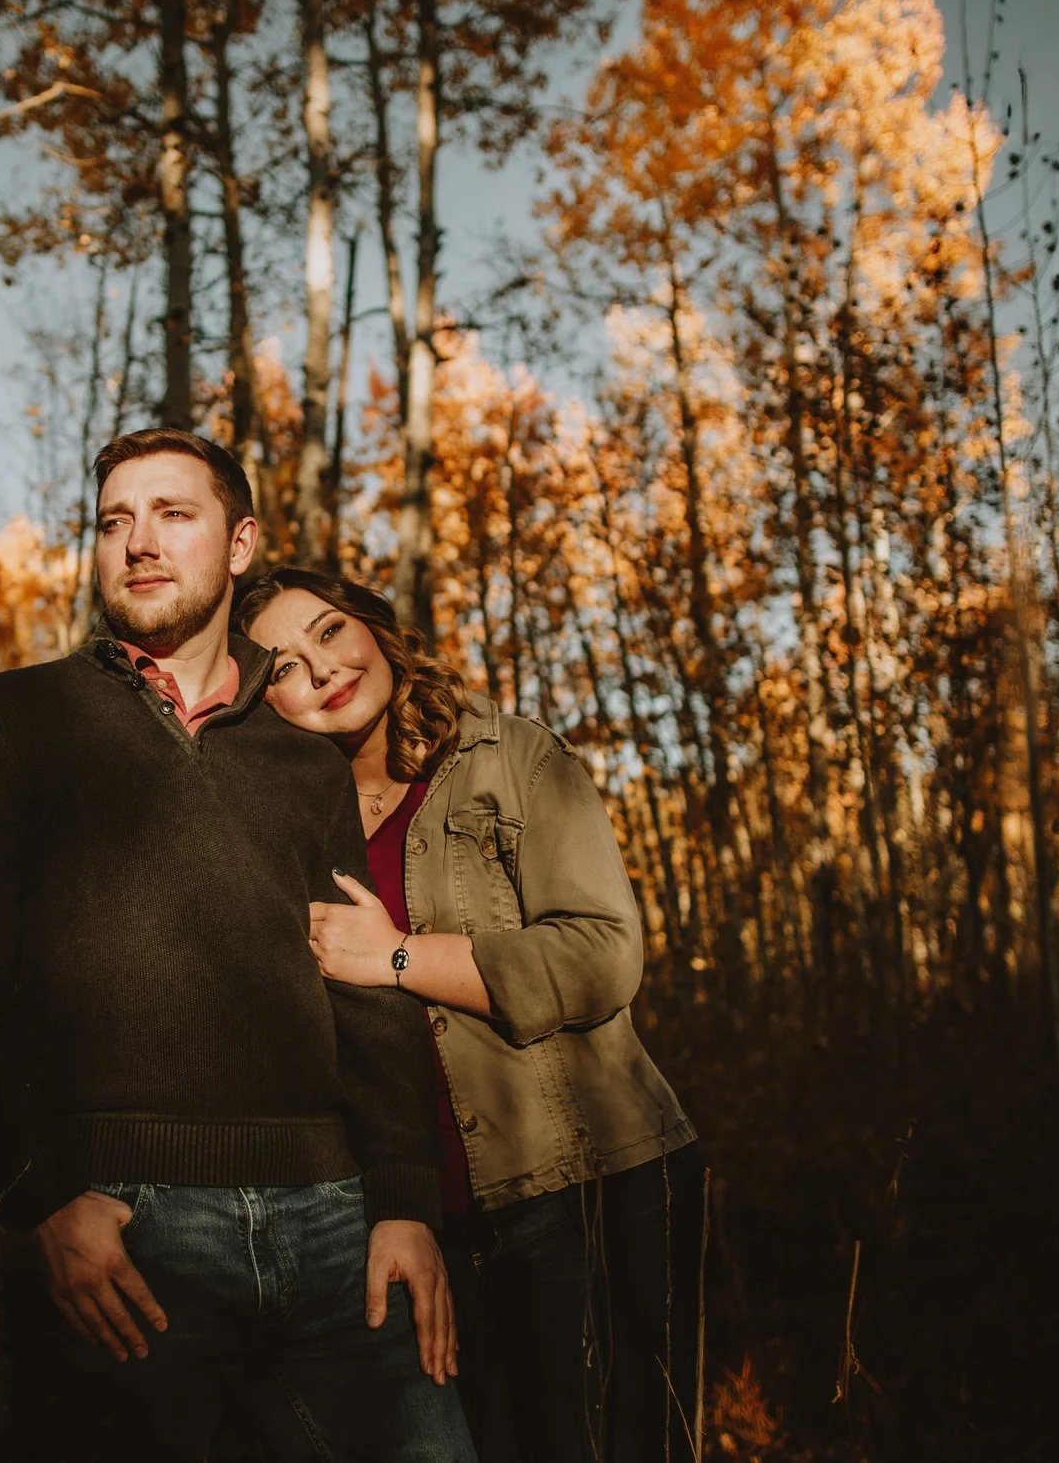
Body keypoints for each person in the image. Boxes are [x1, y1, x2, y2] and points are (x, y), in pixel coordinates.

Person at [0, 430, 478, 1463]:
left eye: (174, 513)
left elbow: (363, 981)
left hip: (336, 1222)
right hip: (128, 1229)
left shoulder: (301, 757)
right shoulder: (20, 718)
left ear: (239, 542)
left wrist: (405, 1202)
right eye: (115, 521)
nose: (140, 541)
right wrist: (41, 1196)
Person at [238, 568, 709, 1463]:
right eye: (286, 665)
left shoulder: (506, 756)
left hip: (589, 1184)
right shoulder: (288, 826)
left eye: (331, 631)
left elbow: (603, 954)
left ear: (375, 628)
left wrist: (399, 956)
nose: (324, 668)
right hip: (424, 1224)